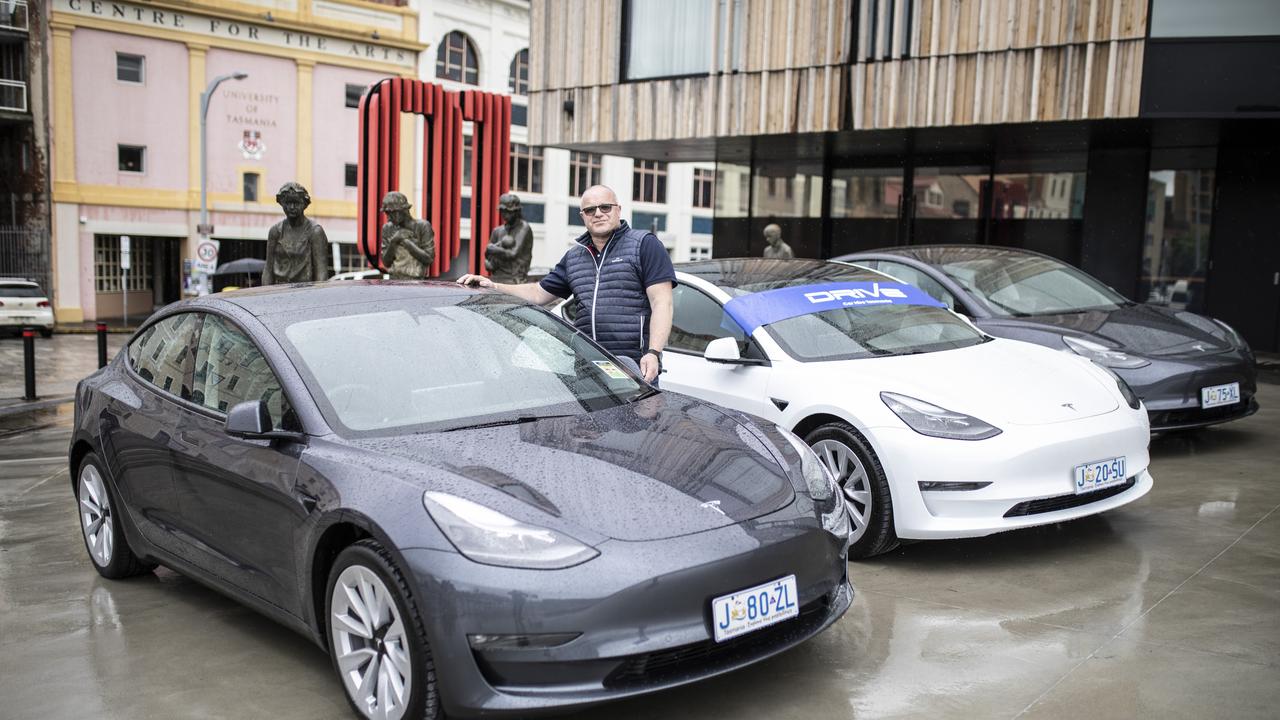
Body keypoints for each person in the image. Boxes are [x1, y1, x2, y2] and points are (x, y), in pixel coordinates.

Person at [458, 185, 674, 384]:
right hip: (588, 368)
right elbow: (537, 293)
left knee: (638, 425)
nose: (598, 213)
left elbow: (662, 303)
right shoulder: (574, 257)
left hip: (634, 366)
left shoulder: (644, 244)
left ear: (618, 210)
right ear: (583, 216)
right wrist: (493, 286)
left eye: (605, 207)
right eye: (590, 210)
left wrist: (653, 353)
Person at [264, 182, 330, 284]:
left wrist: (318, 296)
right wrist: (265, 295)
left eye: (296, 203)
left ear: (304, 204)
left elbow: (321, 273)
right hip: (279, 292)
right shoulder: (275, 231)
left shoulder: (315, 232)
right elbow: (268, 270)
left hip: (304, 292)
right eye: (288, 203)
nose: (291, 207)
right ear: (282, 203)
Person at [379, 191, 436, 280]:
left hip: (417, 283)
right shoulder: (387, 228)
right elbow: (386, 262)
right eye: (387, 214)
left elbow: (428, 258)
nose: (388, 218)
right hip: (393, 281)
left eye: (391, 213)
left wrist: (406, 242)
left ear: (403, 211)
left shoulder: (422, 226)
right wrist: (394, 241)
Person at [484, 194, 533, 284]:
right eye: (502, 211)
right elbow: (487, 255)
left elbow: (513, 253)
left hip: (516, 279)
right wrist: (489, 261)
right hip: (497, 278)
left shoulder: (524, 228)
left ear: (516, 212)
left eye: (508, 211)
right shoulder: (497, 231)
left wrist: (493, 249)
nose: (504, 215)